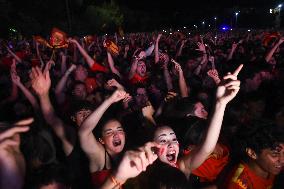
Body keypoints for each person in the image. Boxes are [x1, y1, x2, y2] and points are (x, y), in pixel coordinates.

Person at [152, 64, 243, 178]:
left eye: (174, 139)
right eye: (163, 140)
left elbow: (206, 148)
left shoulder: (182, 166)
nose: (171, 144)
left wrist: (221, 103)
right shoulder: (142, 171)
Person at [78, 89, 129, 188]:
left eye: (119, 130)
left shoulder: (129, 154)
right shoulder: (100, 156)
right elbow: (83, 133)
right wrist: (109, 100)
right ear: (101, 140)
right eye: (109, 132)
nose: (116, 134)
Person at [222, 121, 284, 189]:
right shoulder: (239, 184)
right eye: (275, 154)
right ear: (252, 153)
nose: (282, 160)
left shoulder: (271, 166)